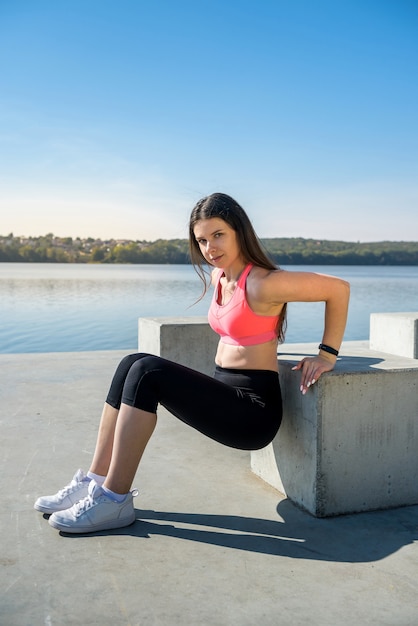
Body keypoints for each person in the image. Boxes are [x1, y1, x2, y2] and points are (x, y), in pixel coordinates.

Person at [34, 192, 350, 534]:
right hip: (225, 393)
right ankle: (96, 480)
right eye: (202, 240)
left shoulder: (263, 282)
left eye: (218, 235)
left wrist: (326, 354)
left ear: (239, 232)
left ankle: (115, 498)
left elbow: (339, 289)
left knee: (147, 372)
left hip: (252, 412)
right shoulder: (220, 278)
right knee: (132, 361)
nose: (210, 248)